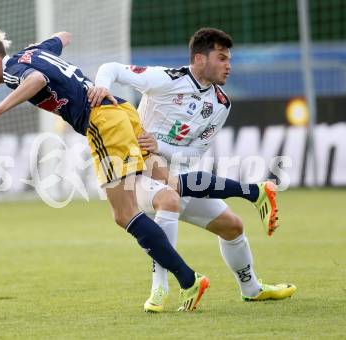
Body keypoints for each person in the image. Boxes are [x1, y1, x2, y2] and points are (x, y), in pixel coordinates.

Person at [89, 27, 296, 312]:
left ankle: (251, 290)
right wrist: (102, 88)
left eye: (229, 60)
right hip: (138, 176)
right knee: (165, 196)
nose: (228, 66)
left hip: (179, 178)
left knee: (233, 227)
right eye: (222, 58)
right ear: (199, 59)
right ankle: (159, 290)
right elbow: (110, 68)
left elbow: (195, 153)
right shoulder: (166, 79)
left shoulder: (221, 103)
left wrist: (159, 145)